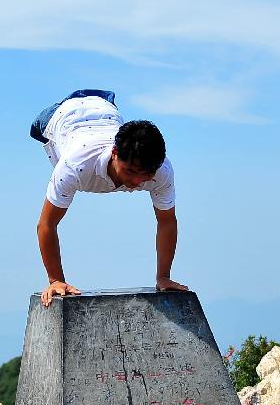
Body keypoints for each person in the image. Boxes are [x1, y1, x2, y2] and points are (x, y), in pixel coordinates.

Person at [31, 89, 188, 307]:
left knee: (105, 109)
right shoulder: (75, 165)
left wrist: (163, 277)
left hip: (104, 109)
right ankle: (75, 100)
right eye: (131, 171)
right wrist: (56, 280)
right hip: (61, 117)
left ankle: (96, 98)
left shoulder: (162, 171)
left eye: (146, 175)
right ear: (114, 153)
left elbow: (167, 221)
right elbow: (46, 224)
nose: (137, 181)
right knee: (40, 124)